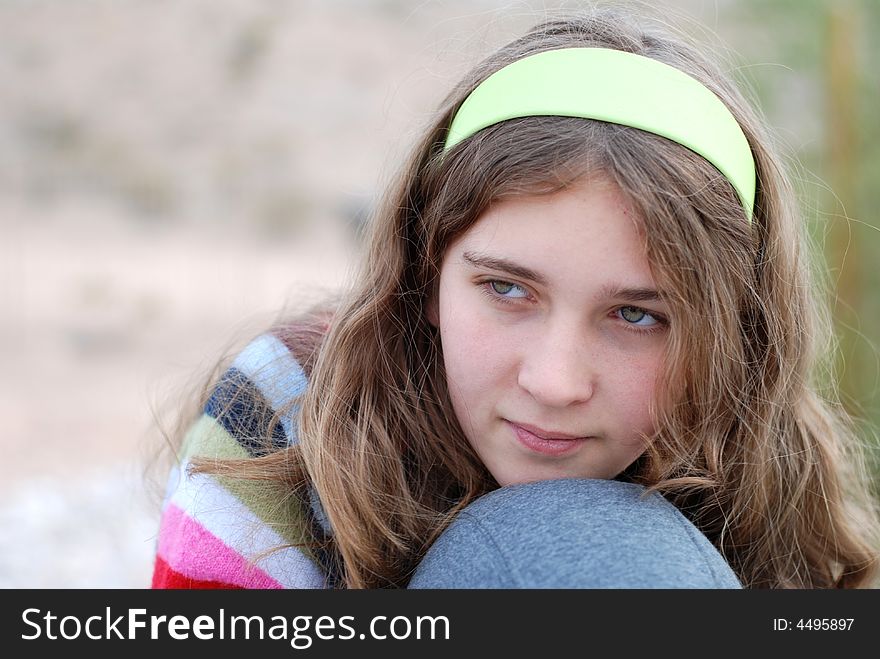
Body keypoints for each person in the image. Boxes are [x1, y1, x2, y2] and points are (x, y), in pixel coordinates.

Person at [151, 5, 880, 590]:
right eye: (506, 288)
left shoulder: (760, 459)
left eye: (637, 315)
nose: (554, 382)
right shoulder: (287, 407)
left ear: (730, 335)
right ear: (424, 272)